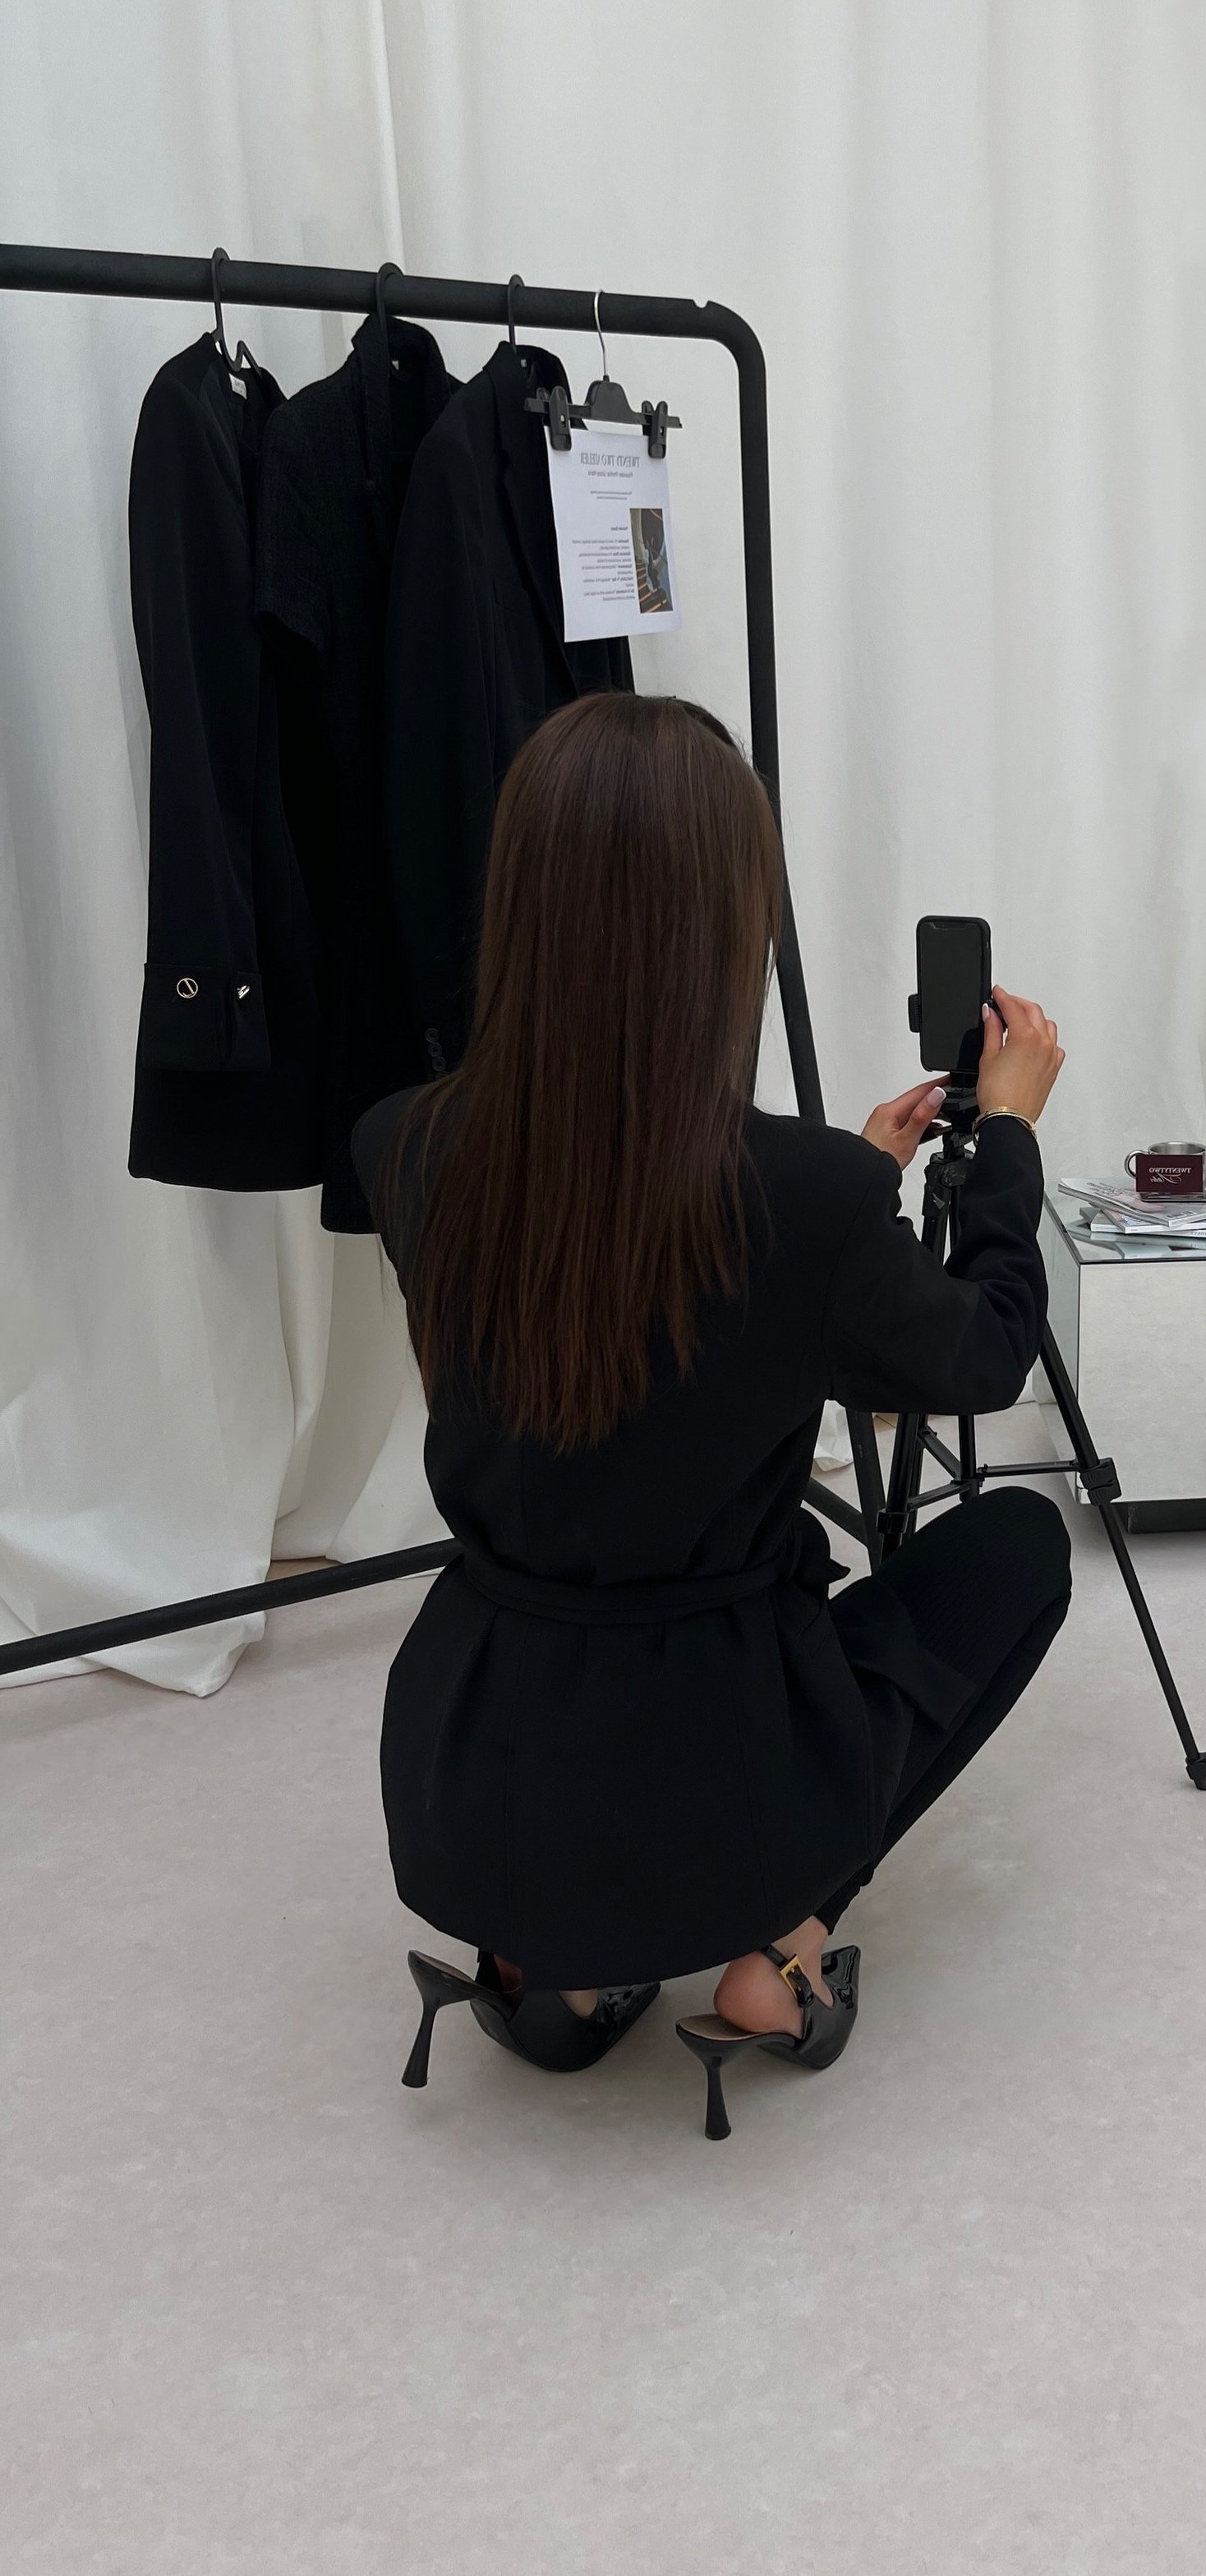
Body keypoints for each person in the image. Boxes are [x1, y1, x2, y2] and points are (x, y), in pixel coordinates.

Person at [357, 691, 1070, 2127]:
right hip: (721, 1793)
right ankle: (779, 1953)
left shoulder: (406, 1144)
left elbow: (597, 1364)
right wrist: (1000, 1154)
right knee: (1014, 1550)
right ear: (722, 926)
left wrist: (844, 1189)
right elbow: (983, 1359)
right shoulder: (794, 1202)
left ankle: (545, 1973)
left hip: (467, 1773)